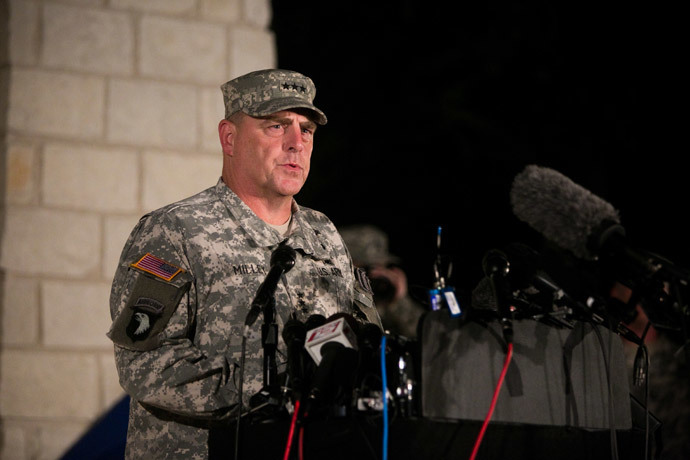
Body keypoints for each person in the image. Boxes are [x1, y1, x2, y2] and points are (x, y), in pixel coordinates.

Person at [107, 69, 381, 459]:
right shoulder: (176, 230)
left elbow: (360, 337)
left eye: (306, 130)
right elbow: (144, 361)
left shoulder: (324, 234)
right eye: (276, 126)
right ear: (229, 138)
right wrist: (272, 387)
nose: (296, 143)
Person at [339, 224, 425, 338]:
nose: (369, 276)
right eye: (365, 268)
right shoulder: (328, 293)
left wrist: (398, 300)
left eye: (379, 267)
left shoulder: (380, 302)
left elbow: (427, 339)